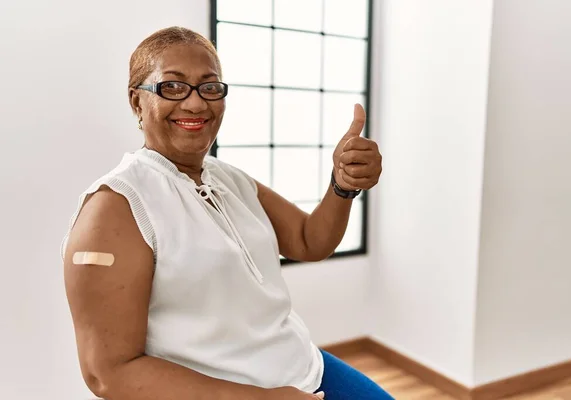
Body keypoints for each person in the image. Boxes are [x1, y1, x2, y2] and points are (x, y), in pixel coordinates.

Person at [62, 26, 387, 400]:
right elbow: (108, 374)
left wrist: (343, 185)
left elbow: (308, 241)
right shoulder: (115, 208)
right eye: (173, 86)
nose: (196, 103)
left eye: (210, 86)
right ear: (137, 102)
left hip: (302, 368)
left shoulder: (228, 178)